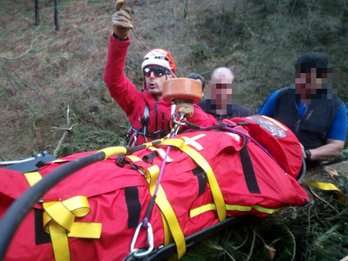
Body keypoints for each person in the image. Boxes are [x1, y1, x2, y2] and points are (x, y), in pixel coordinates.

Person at [104, 0, 218, 146]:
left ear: (170, 76)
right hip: (139, 164)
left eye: (158, 72)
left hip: (171, 164)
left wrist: (191, 114)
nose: (151, 75)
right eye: (147, 71)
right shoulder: (136, 102)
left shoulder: (182, 104)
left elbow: (212, 127)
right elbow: (113, 80)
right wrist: (119, 39)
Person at [258, 51, 347, 165]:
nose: (301, 84)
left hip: (307, 164)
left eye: (309, 81)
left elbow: (336, 146)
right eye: (299, 78)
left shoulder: (336, 107)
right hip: (270, 159)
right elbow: (257, 122)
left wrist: (307, 154)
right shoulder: (280, 95)